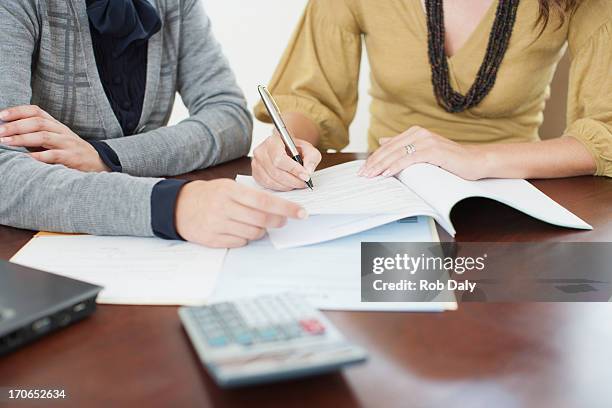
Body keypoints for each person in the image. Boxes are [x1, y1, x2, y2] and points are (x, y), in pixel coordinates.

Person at [0, 0, 306, 248]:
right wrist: (171, 206)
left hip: (142, 252)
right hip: (39, 255)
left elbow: (230, 118)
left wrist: (107, 156)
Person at [252, 0, 611, 191]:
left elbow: (605, 132)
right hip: (388, 188)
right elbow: (311, 99)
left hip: (512, 191)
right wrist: (289, 144)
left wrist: (476, 159)